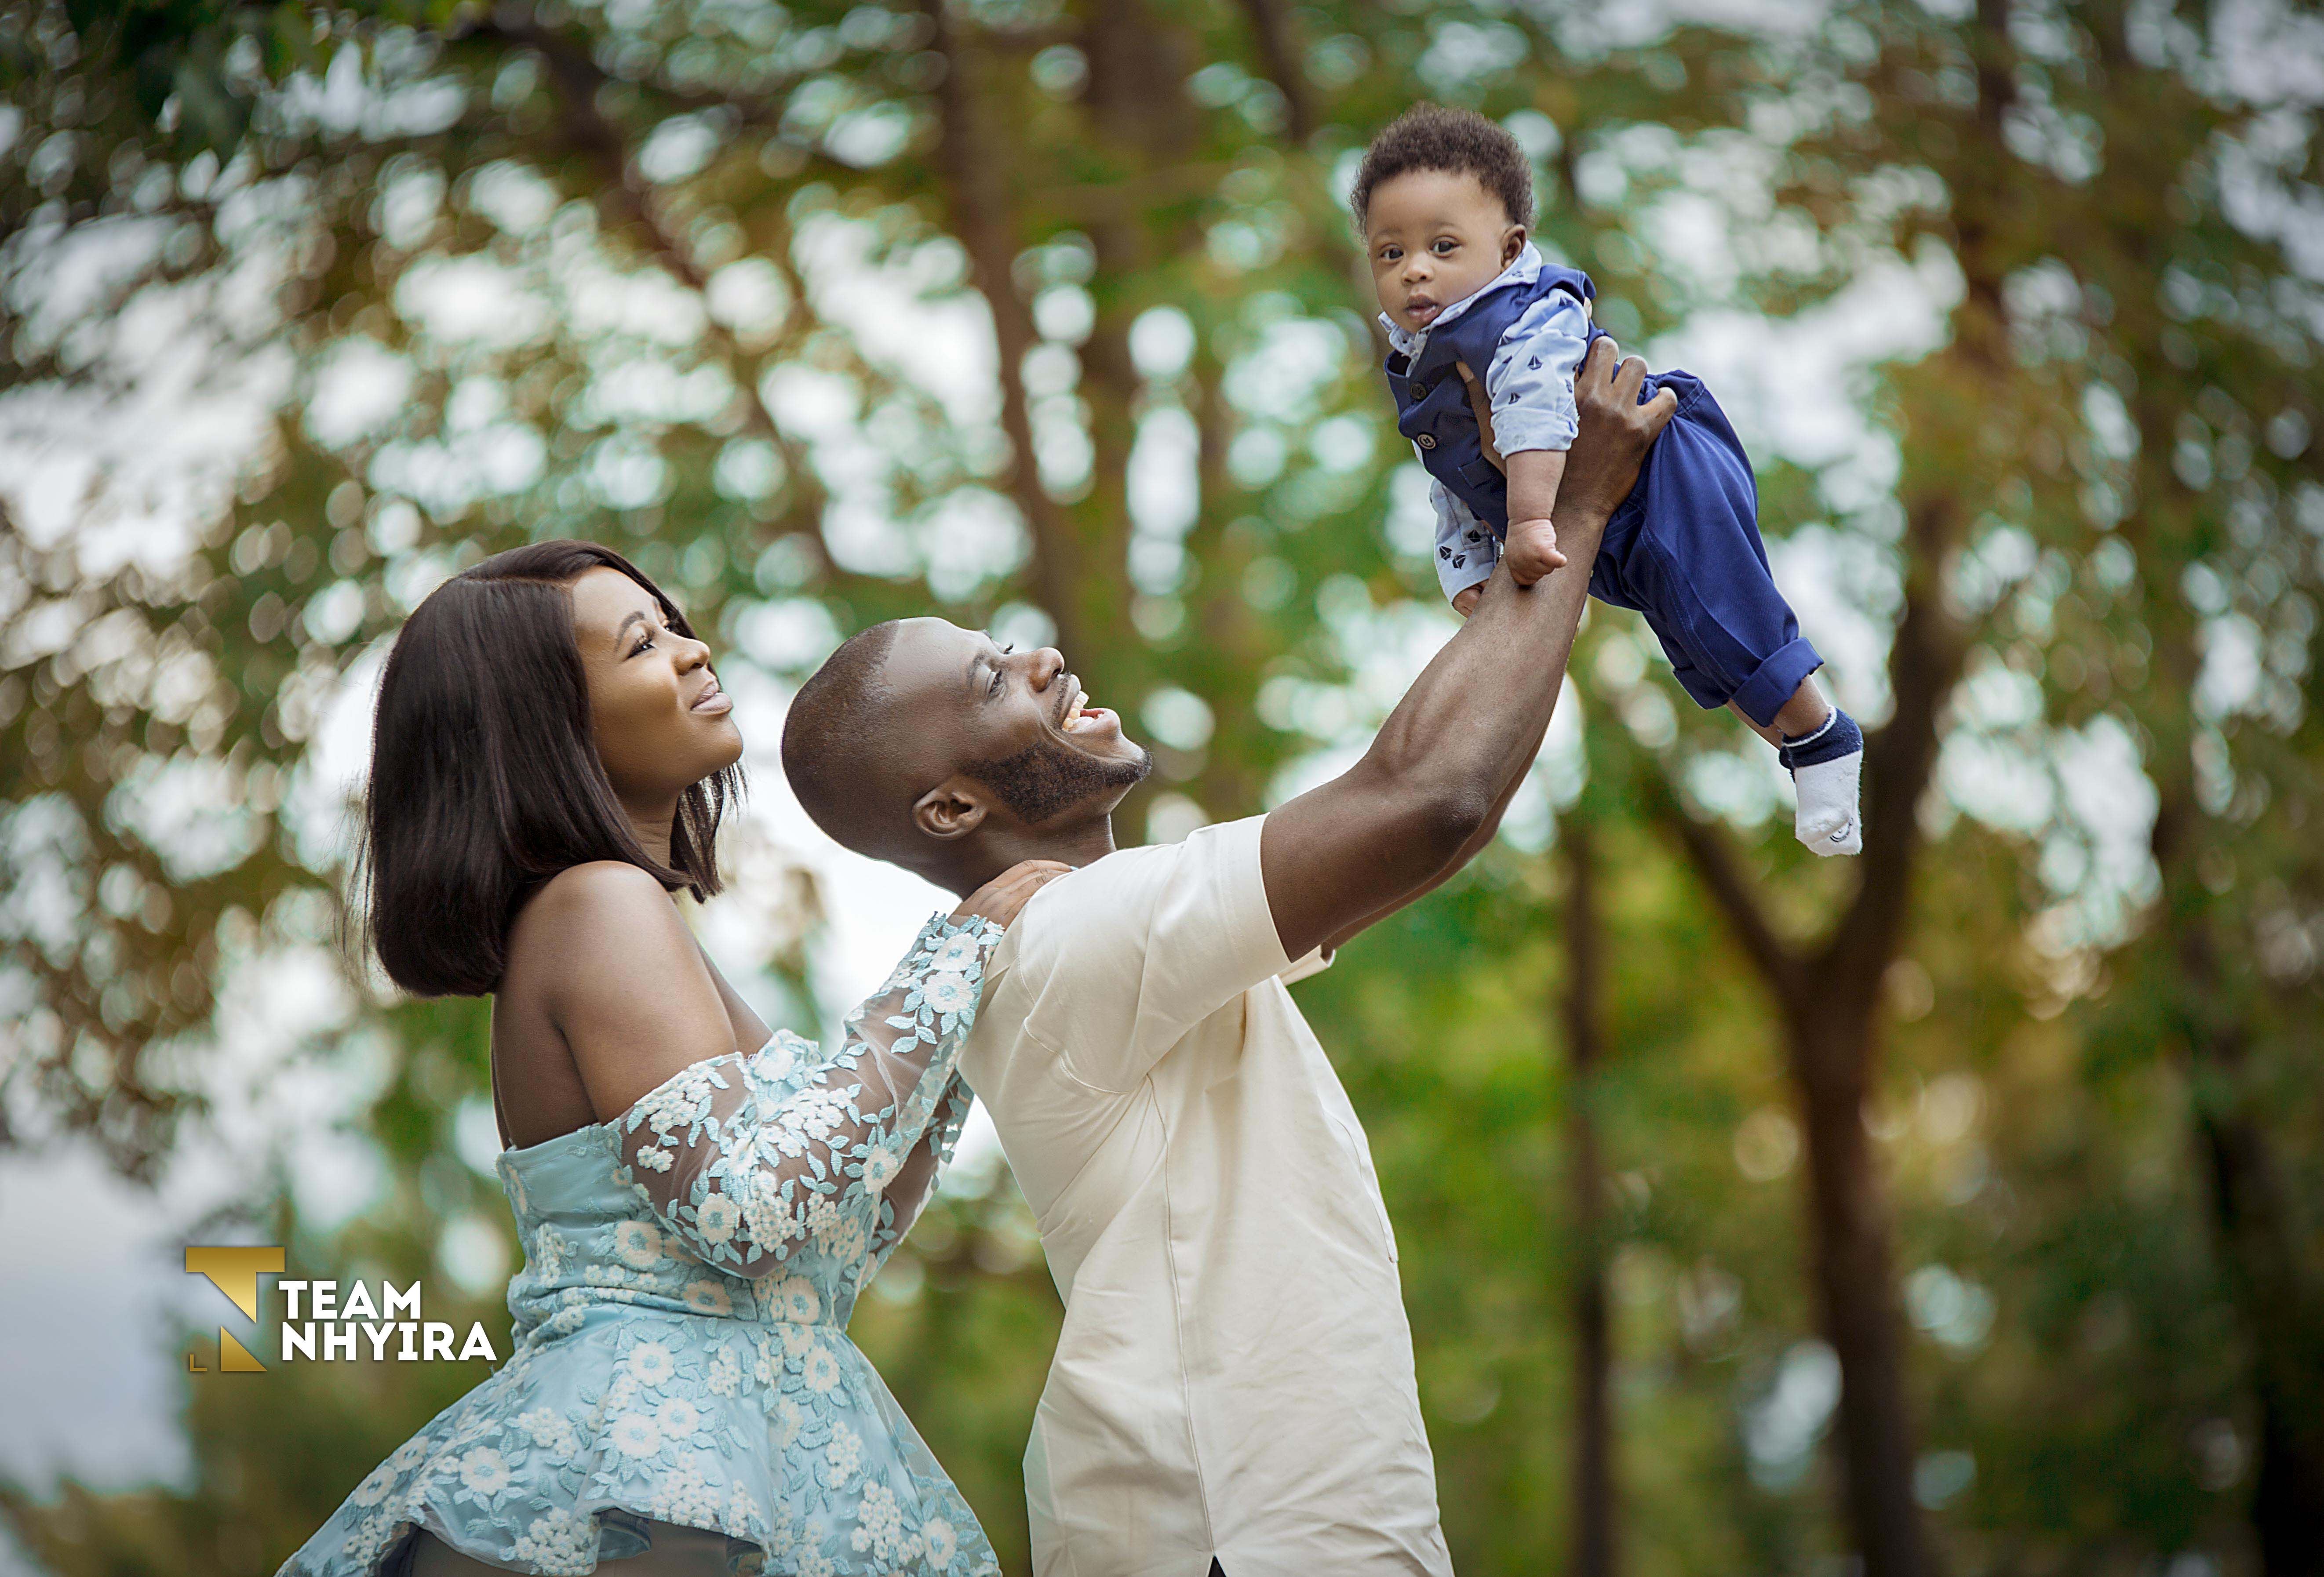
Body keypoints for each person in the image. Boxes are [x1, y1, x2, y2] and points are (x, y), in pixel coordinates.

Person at [778, 338, 1676, 1577]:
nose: (1036, 655)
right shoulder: (1068, 938)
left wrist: (1516, 569)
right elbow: (1426, 797)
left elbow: (1418, 839)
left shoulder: (1100, 939)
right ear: (945, 810)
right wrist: (1569, 514)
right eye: (991, 679)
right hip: (1230, 1530)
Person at [277, 540, 1064, 1577]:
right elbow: (747, 1214)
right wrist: (958, 952)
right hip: (648, 1472)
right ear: (546, 724)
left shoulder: (640, 924)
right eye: (643, 644)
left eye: (673, 623)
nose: (693, 653)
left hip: (759, 1434)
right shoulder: (596, 902)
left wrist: (970, 997)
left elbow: (834, 1236)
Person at [1357, 102, 1865, 857]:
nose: (1415, 270)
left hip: (1659, 468)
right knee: (1694, 643)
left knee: (1725, 614)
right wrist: (1466, 563)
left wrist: (1528, 525)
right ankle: (1797, 749)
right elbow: (1446, 470)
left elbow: (1532, 417)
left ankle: (1826, 739)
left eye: (1441, 245)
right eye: (1389, 254)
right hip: (1597, 517)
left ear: (1509, 249)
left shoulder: (1523, 317)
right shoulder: (1420, 359)